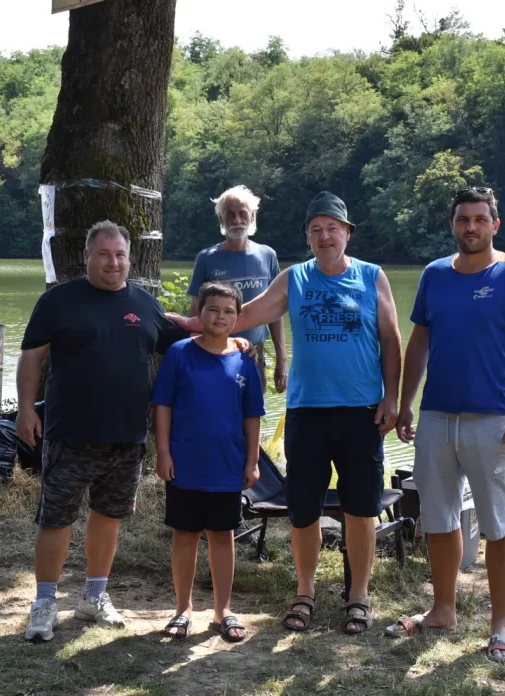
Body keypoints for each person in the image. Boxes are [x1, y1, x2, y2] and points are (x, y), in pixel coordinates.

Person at [168, 191, 403, 635]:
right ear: (307, 237)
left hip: (361, 411)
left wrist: (392, 399)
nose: (324, 236)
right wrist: (194, 325)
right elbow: (244, 314)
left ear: (347, 233)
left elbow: (391, 341)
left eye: (332, 228)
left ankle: (358, 596)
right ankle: (305, 592)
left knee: (360, 509)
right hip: (307, 412)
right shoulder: (294, 278)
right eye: (315, 230)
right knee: (303, 510)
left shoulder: (372, 276)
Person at [15, 220, 242, 642]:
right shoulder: (58, 301)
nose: (113, 262)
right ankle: (44, 602)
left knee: (108, 516)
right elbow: (31, 357)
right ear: (87, 257)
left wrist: (231, 341)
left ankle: (94, 596)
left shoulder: (144, 303)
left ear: (129, 259)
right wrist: (26, 409)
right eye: (104, 255)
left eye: (120, 255)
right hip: (69, 432)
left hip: (126, 437)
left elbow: (186, 337)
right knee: (56, 518)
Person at [386, 187, 505, 664]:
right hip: (436, 417)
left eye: (479, 219)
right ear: (452, 224)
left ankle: (501, 627)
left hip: (493, 421)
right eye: (462, 219)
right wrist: (406, 404)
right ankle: (442, 610)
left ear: (495, 224)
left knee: (498, 525)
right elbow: (419, 343)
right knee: (438, 519)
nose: (470, 227)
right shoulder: (435, 275)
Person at [151, 282, 265, 642]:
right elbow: (163, 406)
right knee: (185, 534)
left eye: (229, 311)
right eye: (213, 309)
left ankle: (222, 611)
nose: (220, 316)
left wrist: (252, 461)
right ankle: (182, 609)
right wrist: (164, 453)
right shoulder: (180, 353)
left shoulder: (245, 359)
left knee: (222, 536)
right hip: (185, 462)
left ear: (238, 318)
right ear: (199, 313)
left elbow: (252, 416)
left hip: (227, 465)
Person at [187, 185, 287, 394]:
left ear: (253, 216)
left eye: (243, 213)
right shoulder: (206, 258)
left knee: (253, 411)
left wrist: (282, 360)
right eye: (230, 214)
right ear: (221, 219)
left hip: (254, 355)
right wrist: (190, 357)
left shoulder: (267, 255)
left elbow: (275, 312)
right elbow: (196, 312)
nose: (237, 220)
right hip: (215, 351)